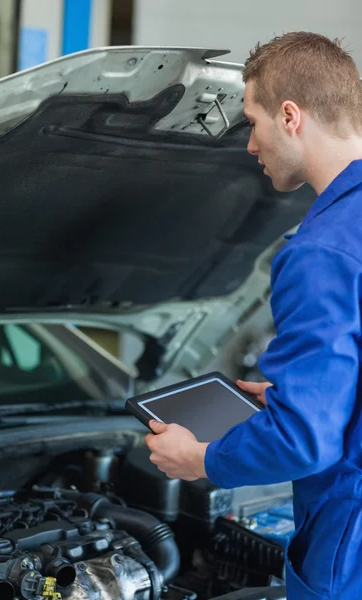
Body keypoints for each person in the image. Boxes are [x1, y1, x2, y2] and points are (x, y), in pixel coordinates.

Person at [144, 31, 362, 600]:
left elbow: (305, 441)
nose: (249, 145)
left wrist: (199, 459)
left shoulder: (321, 252)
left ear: (290, 116)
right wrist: (302, 393)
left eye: (253, 122)